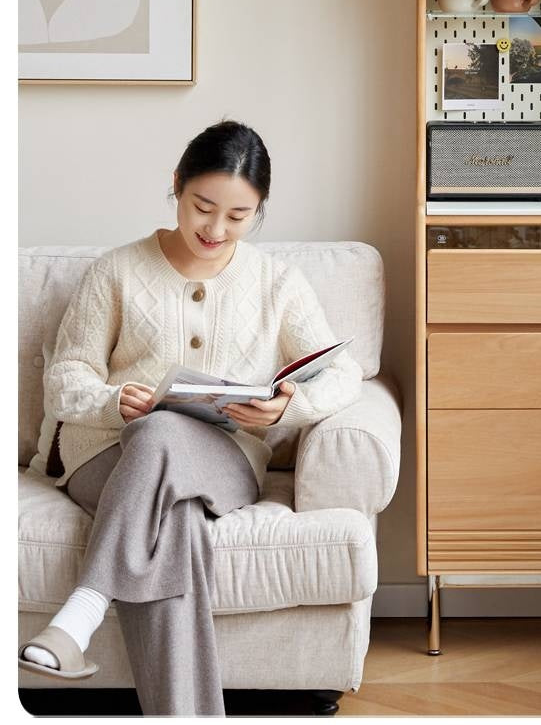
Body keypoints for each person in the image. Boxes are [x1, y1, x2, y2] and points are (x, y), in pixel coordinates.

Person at [19, 120, 363, 716]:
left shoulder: (276, 281)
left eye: (238, 216)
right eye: (203, 207)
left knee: (161, 432)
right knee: (171, 505)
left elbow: (344, 371)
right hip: (107, 456)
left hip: (225, 461)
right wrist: (111, 399)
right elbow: (65, 378)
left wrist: (289, 405)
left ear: (259, 211)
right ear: (176, 185)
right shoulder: (117, 272)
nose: (215, 229)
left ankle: (81, 612)